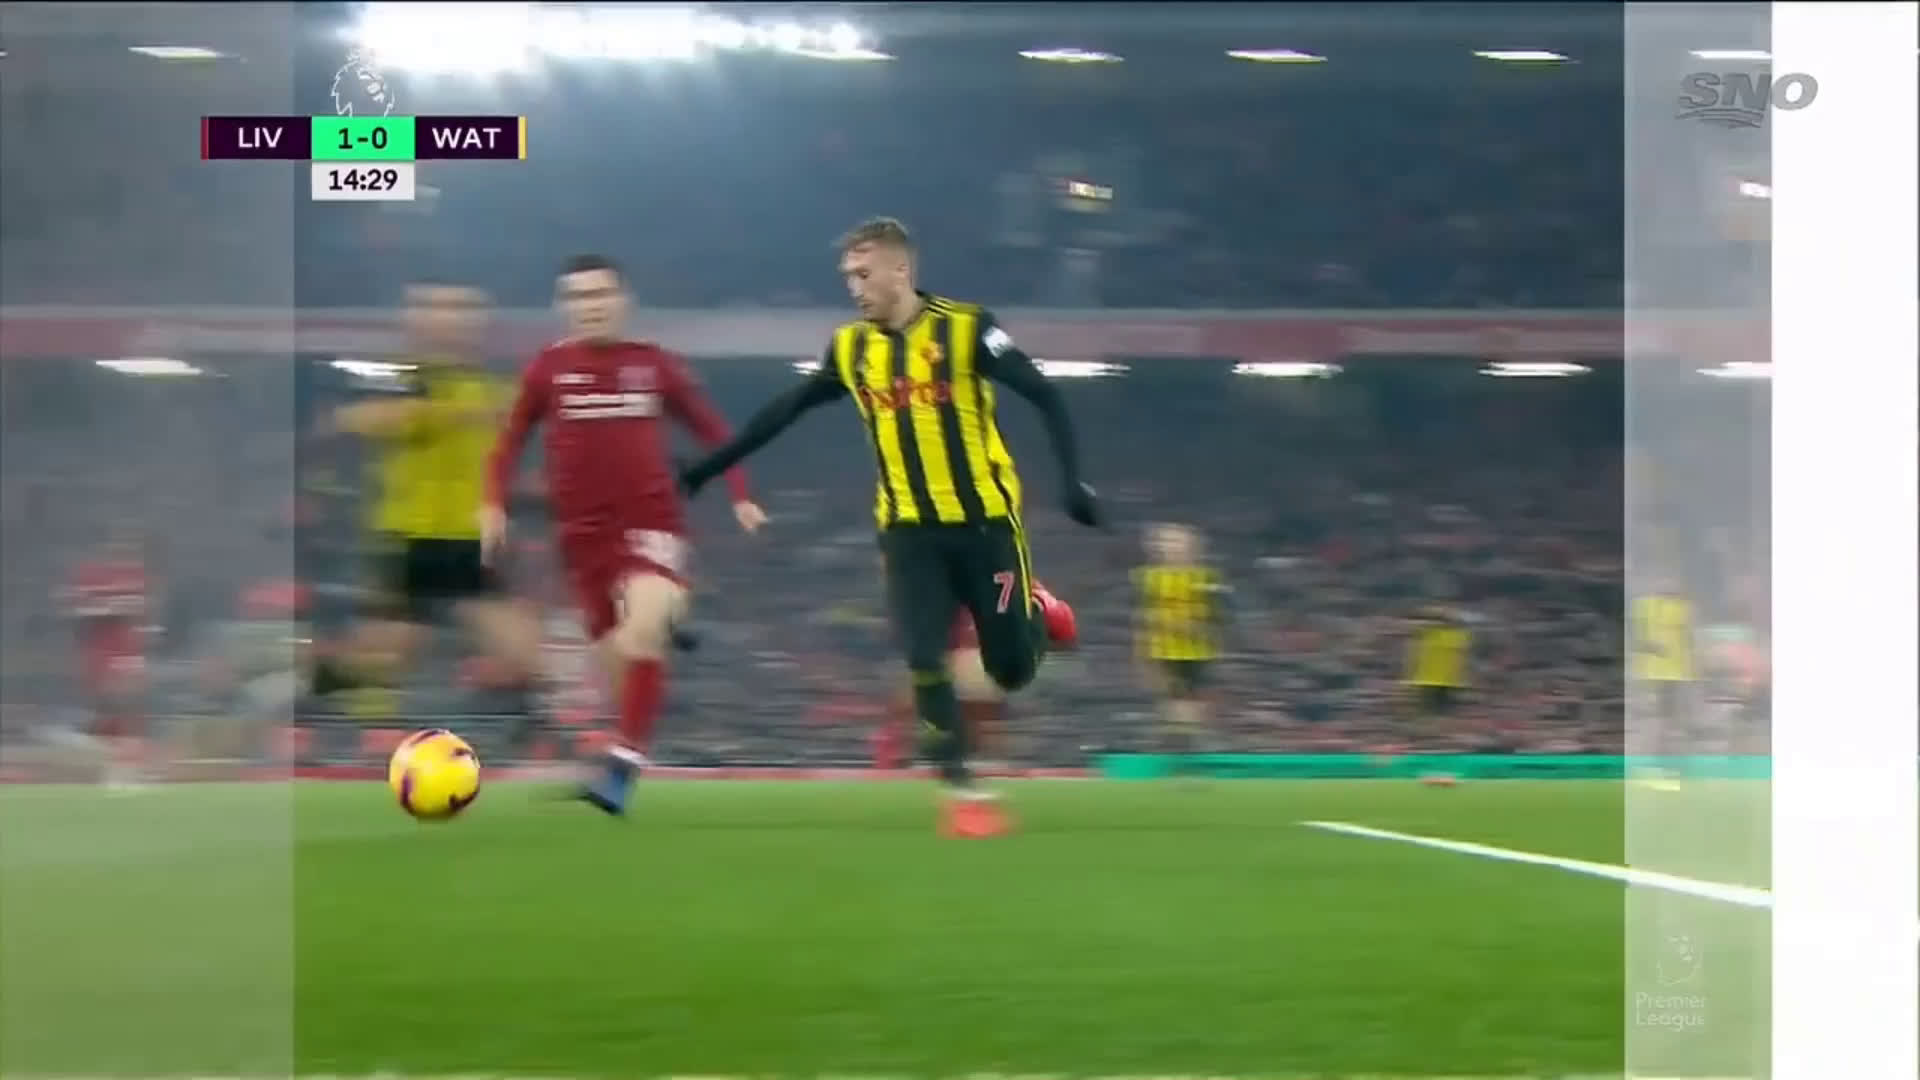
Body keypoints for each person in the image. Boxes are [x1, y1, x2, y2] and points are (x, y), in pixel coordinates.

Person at [679, 217, 1095, 837]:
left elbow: (1045, 394)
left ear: (901, 270)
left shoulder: (968, 329)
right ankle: (964, 792)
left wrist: (1073, 482)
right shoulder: (851, 349)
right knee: (924, 656)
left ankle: (1036, 609)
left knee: (1010, 670)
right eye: (848, 276)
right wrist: (709, 469)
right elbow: (784, 412)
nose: (854, 287)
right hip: (908, 532)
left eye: (864, 273)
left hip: (986, 527)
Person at [484, 254, 766, 815]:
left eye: (600, 294)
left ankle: (620, 770)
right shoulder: (547, 369)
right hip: (582, 540)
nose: (590, 306)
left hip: (650, 525)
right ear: (564, 306)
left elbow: (715, 432)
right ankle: (656, 651)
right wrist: (492, 504)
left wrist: (742, 493)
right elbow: (510, 442)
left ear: (623, 301)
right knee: (623, 662)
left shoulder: (654, 365)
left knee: (640, 635)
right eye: (578, 297)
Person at [309, 284, 545, 736]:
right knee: (385, 657)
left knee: (524, 654)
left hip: (469, 540)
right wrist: (455, 413)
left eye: (463, 308)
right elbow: (357, 419)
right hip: (412, 538)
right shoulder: (400, 375)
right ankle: (310, 702)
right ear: (413, 318)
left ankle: (548, 737)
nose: (451, 319)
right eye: (436, 308)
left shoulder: (492, 380)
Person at [1134, 524, 1230, 761]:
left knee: (1186, 700)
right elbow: (1142, 615)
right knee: (1173, 699)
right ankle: (1182, 743)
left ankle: (1185, 743)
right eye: (1164, 542)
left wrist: (1208, 635)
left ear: (1192, 546)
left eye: (1176, 542)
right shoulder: (1150, 577)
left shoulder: (1207, 578)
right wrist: (1141, 650)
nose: (1169, 547)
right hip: (1161, 649)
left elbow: (1219, 616)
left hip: (1197, 650)